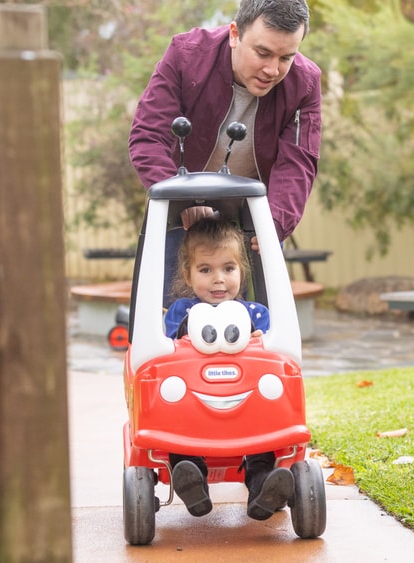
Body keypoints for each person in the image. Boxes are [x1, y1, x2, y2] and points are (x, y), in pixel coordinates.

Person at [129, 0, 322, 307]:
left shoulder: (305, 82)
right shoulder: (185, 54)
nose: (272, 69)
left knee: (258, 325)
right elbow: (148, 136)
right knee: (171, 322)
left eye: (286, 57)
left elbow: (297, 162)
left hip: (253, 218)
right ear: (235, 34)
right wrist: (182, 202)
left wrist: (274, 224)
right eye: (262, 53)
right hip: (183, 215)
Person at [162, 217, 292, 521]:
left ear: (241, 271)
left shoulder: (257, 315)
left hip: (248, 411)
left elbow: (277, 352)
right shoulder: (181, 311)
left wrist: (261, 341)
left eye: (228, 268)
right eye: (206, 270)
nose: (218, 279)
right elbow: (167, 348)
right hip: (194, 408)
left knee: (264, 445)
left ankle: (264, 489)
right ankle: (193, 484)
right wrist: (183, 336)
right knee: (180, 439)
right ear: (188, 274)